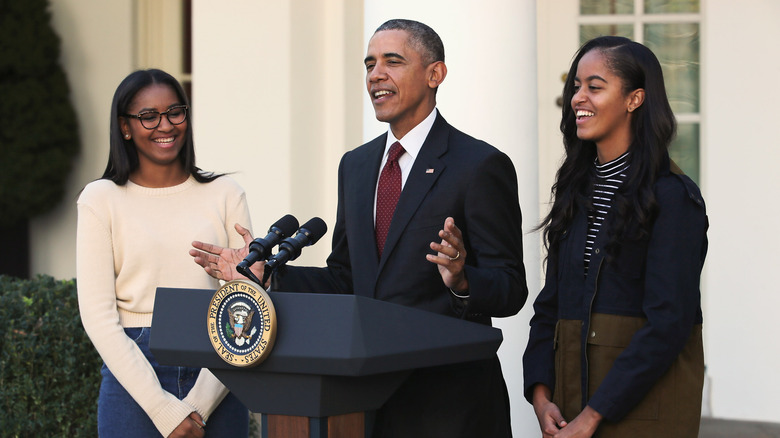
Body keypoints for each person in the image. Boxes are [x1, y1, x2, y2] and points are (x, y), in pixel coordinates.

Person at [190, 19, 527, 438]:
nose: (375, 75)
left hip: (451, 406)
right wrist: (269, 276)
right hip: (364, 404)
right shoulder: (357, 165)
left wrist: (462, 279)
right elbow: (347, 278)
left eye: (392, 61)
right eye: (369, 64)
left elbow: (511, 287)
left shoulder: (479, 165)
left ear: (435, 74)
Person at [523, 36, 708, 438]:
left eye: (594, 86)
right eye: (575, 86)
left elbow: (669, 323)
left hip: (643, 414)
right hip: (570, 406)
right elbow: (550, 304)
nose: (578, 98)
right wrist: (540, 394)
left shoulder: (674, 197)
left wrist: (593, 416)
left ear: (634, 99)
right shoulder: (576, 189)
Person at [76, 69, 251, 437]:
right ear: (125, 127)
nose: (165, 125)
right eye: (148, 116)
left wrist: (198, 406)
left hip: (217, 369)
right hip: (133, 375)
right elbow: (97, 316)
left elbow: (246, 303)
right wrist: (161, 407)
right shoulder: (100, 199)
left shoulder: (225, 193)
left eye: (175, 112)